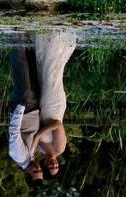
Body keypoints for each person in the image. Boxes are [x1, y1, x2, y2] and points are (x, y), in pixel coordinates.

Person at [8, 30, 76, 185]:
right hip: (49, 105)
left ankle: (18, 31)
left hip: (26, 107)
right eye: (56, 166)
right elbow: (57, 125)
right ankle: (45, 36)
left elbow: (14, 132)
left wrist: (20, 108)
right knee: (45, 71)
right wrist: (38, 136)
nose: (53, 164)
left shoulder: (22, 154)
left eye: (37, 171)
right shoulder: (54, 149)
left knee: (25, 67)